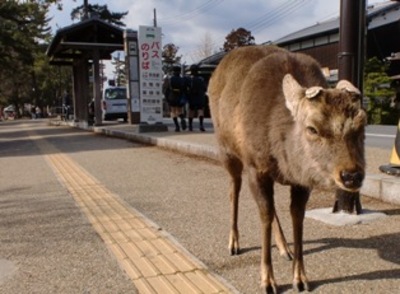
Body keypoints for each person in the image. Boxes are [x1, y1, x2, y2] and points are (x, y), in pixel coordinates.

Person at [163, 65, 187, 132]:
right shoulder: (182, 79)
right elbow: (185, 89)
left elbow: (165, 90)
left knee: (173, 111)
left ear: (173, 72)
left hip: (172, 97)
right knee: (179, 110)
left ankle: (177, 127)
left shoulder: (170, 79)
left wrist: (167, 98)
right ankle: (182, 118)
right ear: (179, 72)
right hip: (180, 96)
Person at [187, 65, 207, 131]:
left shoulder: (189, 78)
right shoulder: (201, 78)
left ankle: (190, 125)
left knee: (191, 110)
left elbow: (187, 88)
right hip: (200, 96)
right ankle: (201, 125)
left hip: (192, 96)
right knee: (200, 110)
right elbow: (205, 88)